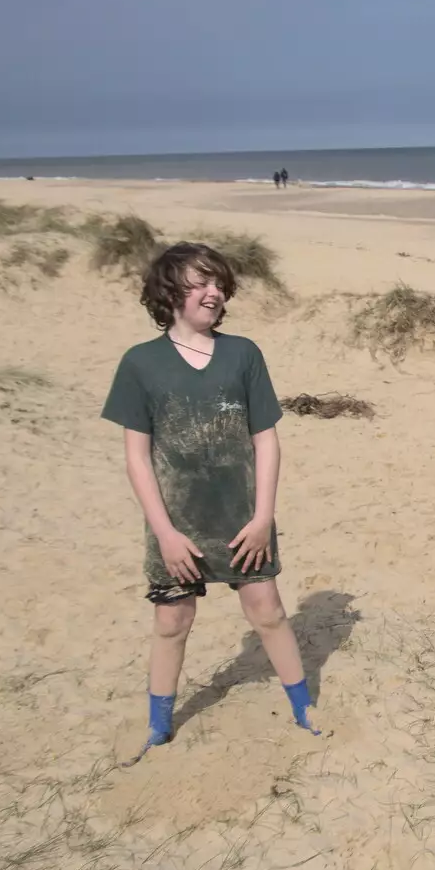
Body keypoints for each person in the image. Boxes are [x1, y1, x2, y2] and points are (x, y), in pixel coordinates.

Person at [101, 242, 324, 767]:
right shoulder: (140, 363)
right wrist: (165, 533)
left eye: (219, 284)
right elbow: (137, 457)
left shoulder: (243, 354)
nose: (214, 292)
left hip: (243, 519)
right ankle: (158, 726)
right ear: (170, 290)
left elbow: (265, 440)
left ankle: (304, 708)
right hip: (177, 524)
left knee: (266, 611)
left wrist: (264, 516)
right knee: (172, 622)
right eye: (201, 283)